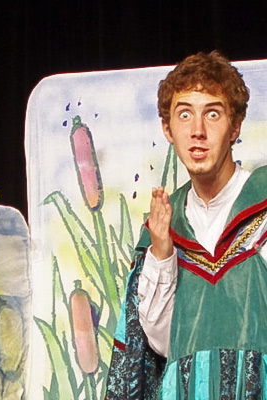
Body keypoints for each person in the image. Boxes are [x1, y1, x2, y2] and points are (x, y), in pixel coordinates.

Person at [105, 50, 267, 399]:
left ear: (235, 126)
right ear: (168, 129)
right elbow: (162, 347)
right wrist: (162, 255)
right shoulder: (164, 226)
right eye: (184, 115)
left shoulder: (264, 205)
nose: (198, 131)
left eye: (213, 113)